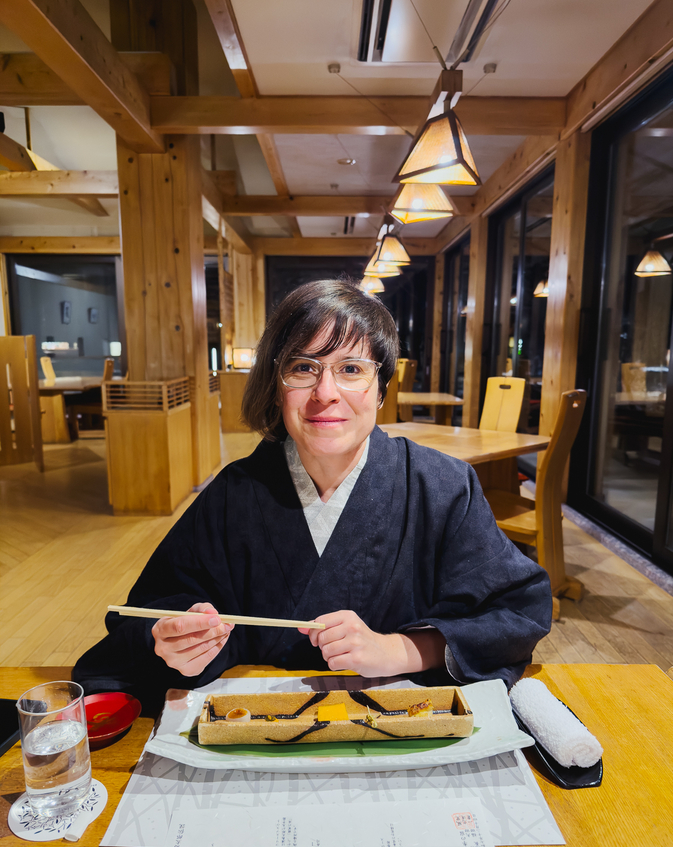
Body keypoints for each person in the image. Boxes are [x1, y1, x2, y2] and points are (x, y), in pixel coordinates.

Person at [73, 280, 552, 709]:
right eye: (303, 367)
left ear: (381, 387)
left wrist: (398, 650)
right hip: (257, 727)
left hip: (401, 730)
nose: (326, 392)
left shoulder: (443, 487)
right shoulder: (233, 495)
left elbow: (516, 613)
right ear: (277, 387)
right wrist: (173, 641)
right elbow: (151, 613)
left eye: (350, 368)